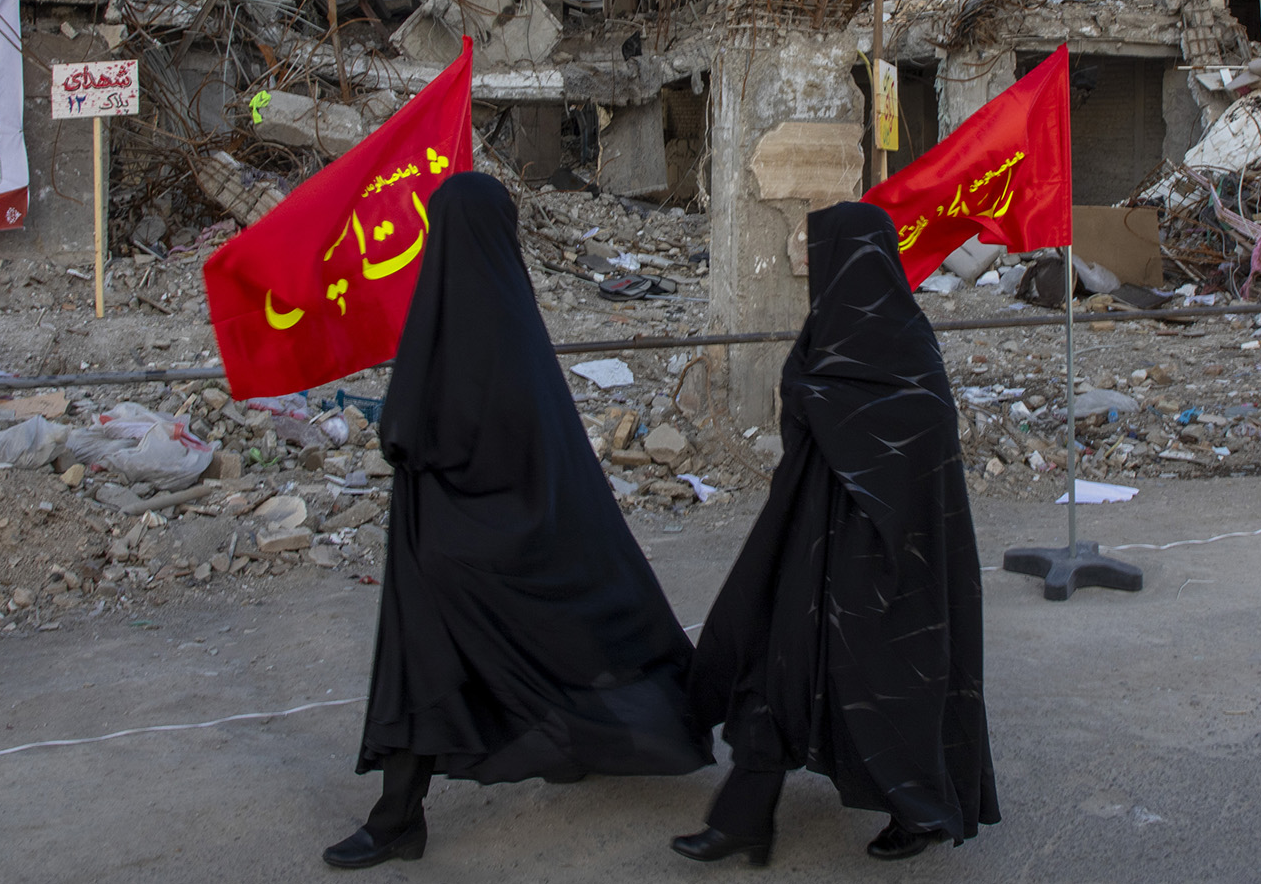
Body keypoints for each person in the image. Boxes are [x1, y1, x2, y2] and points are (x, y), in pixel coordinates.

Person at [326, 172, 712, 870]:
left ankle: (396, 821)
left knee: (421, 666)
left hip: (442, 540)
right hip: (525, 534)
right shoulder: (517, 317)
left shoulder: (442, 316)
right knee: (562, 633)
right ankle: (602, 738)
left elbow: (403, 431)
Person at [674, 201, 998, 867]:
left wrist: (824, 408)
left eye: (814, 252)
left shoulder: (907, 355)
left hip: (887, 564)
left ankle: (919, 810)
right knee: (774, 663)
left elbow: (915, 457)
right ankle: (743, 817)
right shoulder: (829, 336)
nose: (804, 262)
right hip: (809, 540)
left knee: (879, 689)